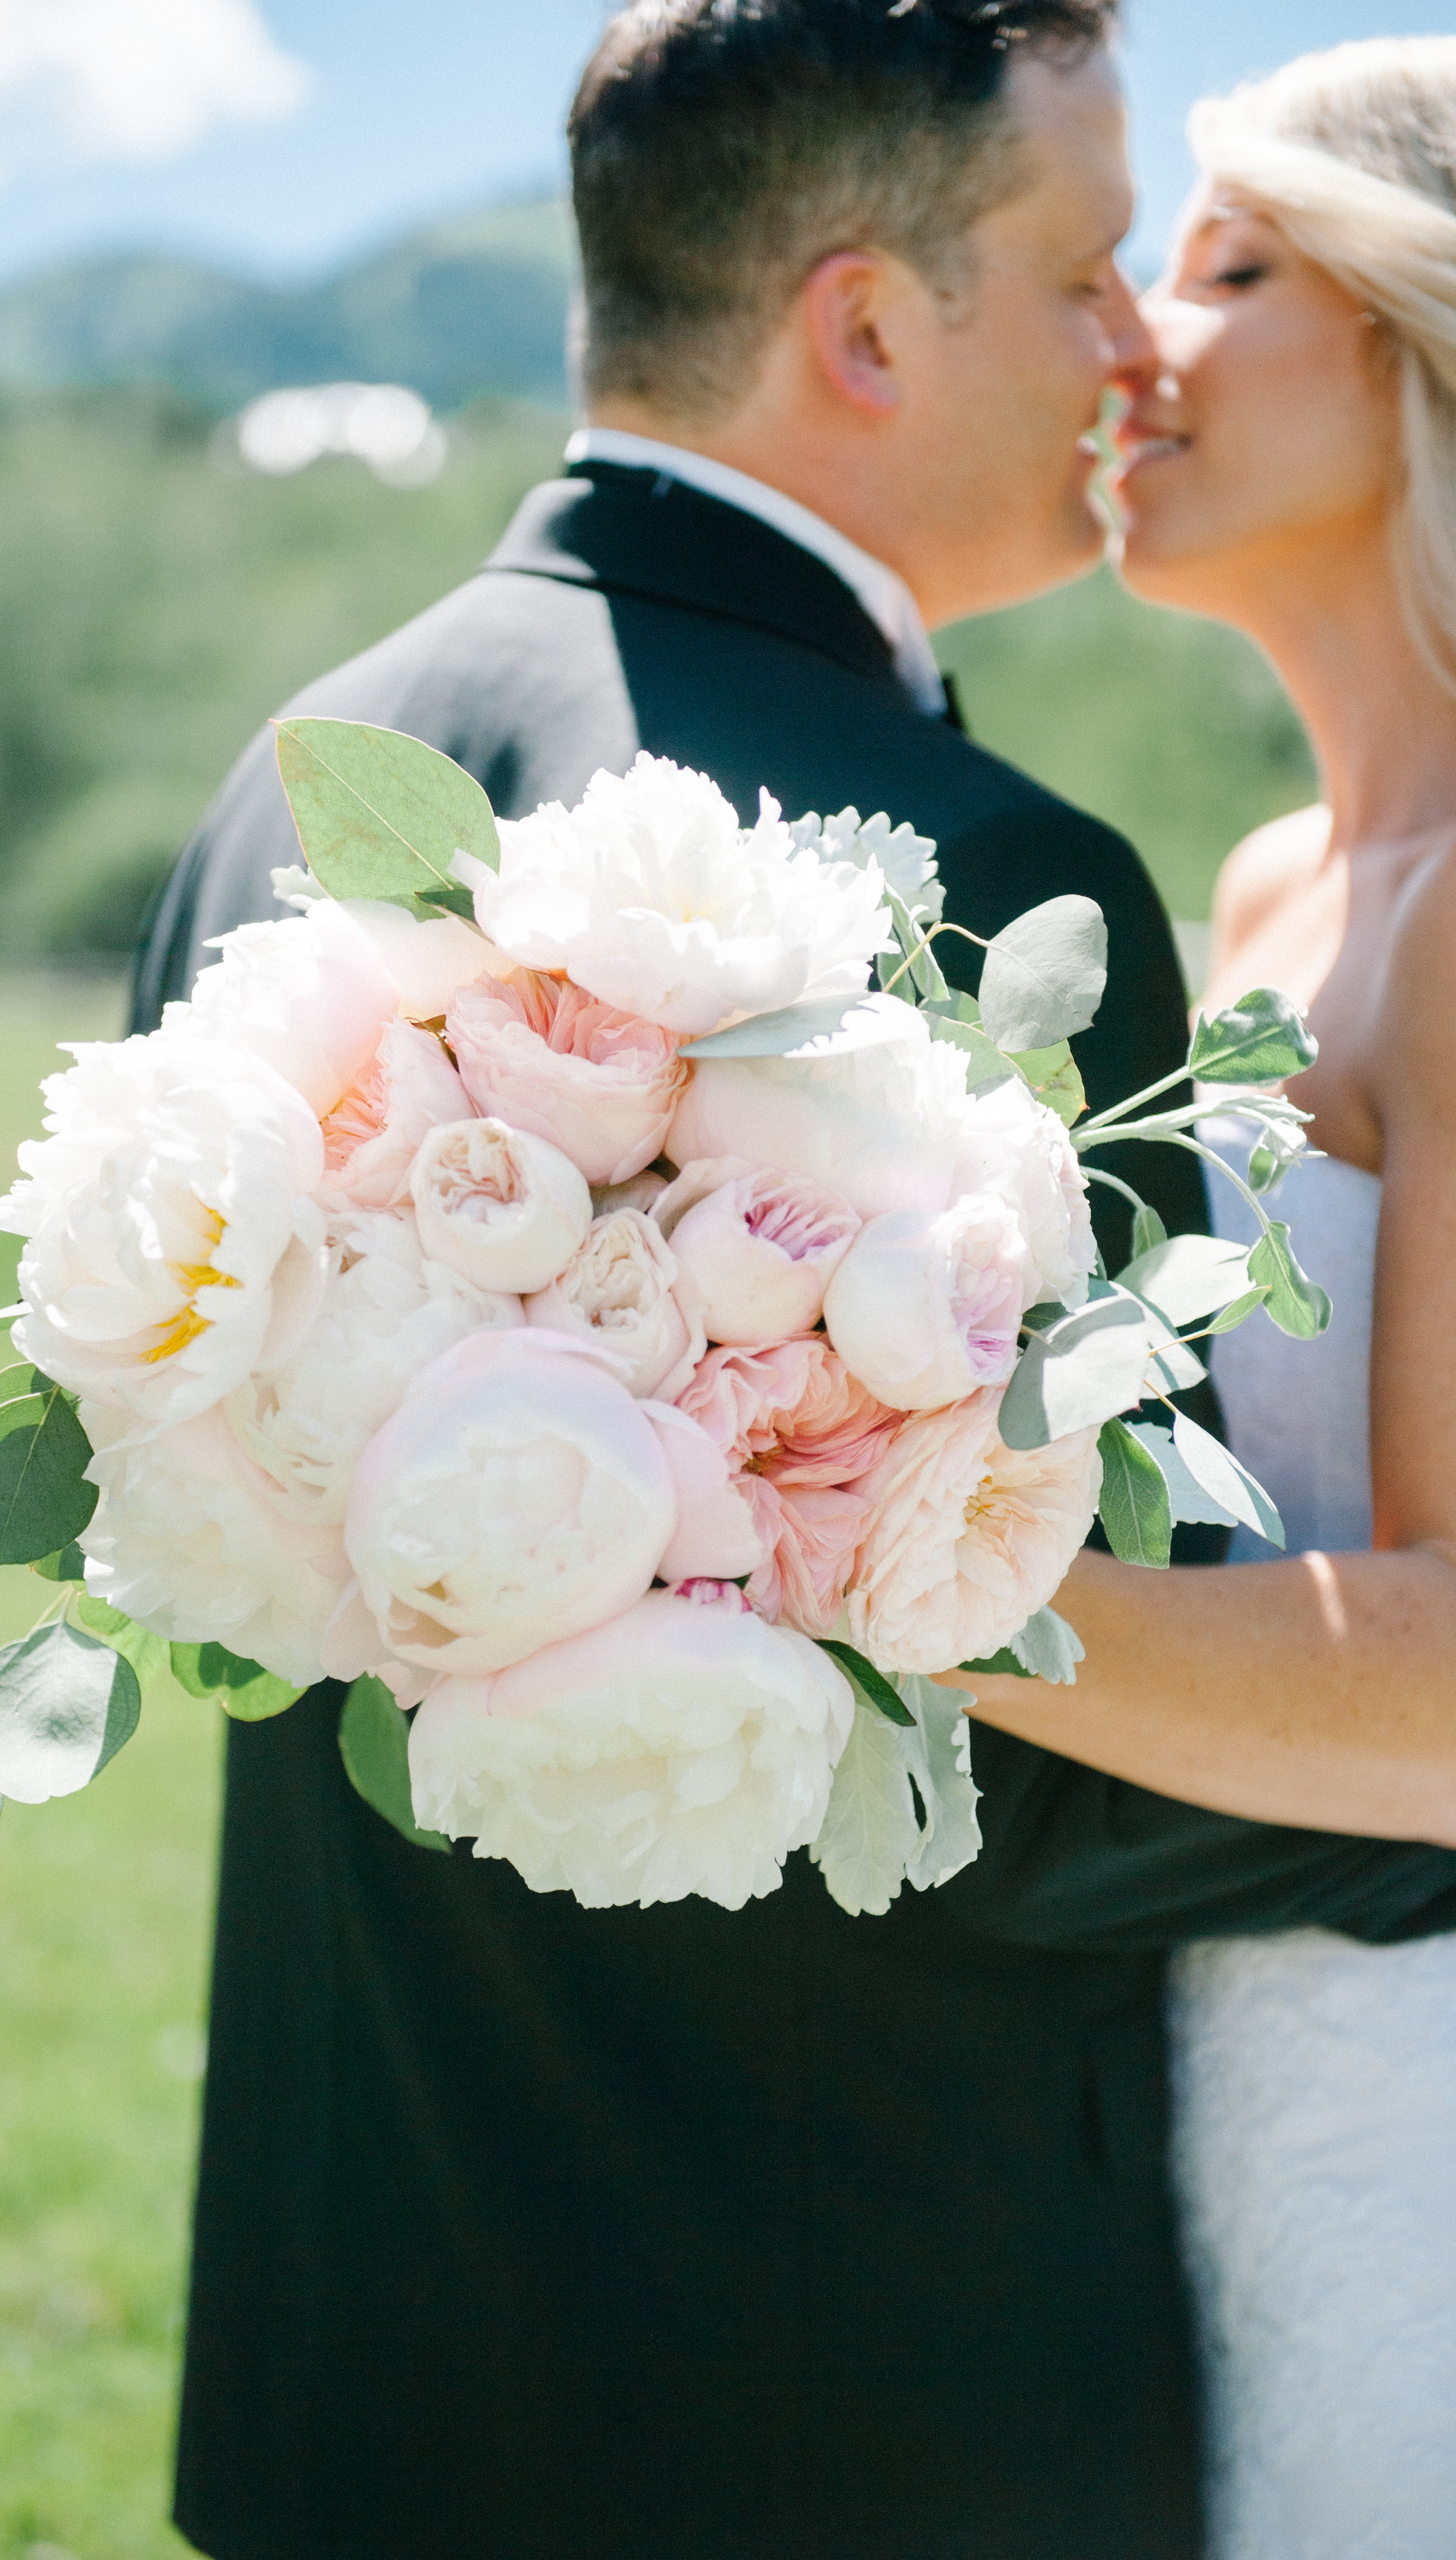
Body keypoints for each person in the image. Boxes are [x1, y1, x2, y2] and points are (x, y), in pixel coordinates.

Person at [133, 10, 1456, 2556]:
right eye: (1095, 267)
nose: (1129, 348)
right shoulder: (952, 859)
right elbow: (1030, 1751)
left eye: (1199, 270)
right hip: (871, 2353)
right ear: (865, 325)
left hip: (372, 2316)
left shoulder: (304, 764)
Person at [955, 35, 1456, 2558]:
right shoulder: (1264, 889)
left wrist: (867, 1579)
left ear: (1424, 329)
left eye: (1229, 267)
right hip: (1240, 2032)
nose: (1133, 340)